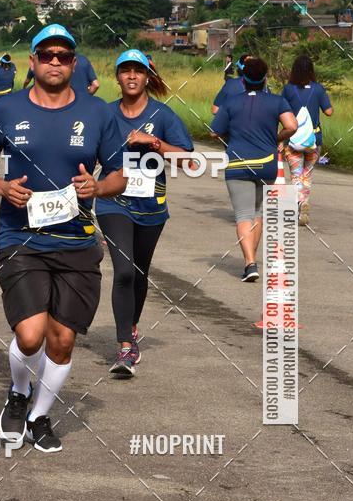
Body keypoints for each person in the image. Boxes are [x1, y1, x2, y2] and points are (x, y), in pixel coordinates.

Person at [0, 23, 126, 453]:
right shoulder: (5, 110)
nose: (55, 62)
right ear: (33, 61)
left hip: (76, 241)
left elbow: (119, 175)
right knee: (31, 335)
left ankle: (40, 415)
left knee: (63, 340)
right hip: (21, 238)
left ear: (74, 64)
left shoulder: (98, 113)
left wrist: (99, 188)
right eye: (47, 55)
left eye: (63, 56)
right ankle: (18, 394)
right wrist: (2, 188)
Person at [95, 50, 194, 377]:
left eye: (138, 71)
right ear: (118, 77)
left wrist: (154, 143)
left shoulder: (163, 115)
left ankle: (132, 326)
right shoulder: (105, 114)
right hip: (113, 203)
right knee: (123, 271)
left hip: (151, 207)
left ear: (148, 77)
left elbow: (188, 161)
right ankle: (125, 346)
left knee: (138, 274)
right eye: (125, 71)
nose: (132, 76)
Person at [211, 58, 297, 282]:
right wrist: (275, 138)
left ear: (243, 79)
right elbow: (292, 126)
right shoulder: (277, 101)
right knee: (257, 213)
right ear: (265, 78)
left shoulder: (231, 102)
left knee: (243, 215)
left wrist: (232, 137)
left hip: (238, 163)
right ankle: (253, 261)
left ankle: (250, 263)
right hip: (267, 163)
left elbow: (214, 132)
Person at [281, 55, 333, 226]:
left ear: (294, 70)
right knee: (307, 175)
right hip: (313, 140)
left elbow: (279, 112)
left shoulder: (288, 89)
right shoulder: (318, 89)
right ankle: (305, 202)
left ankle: (299, 203)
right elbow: (329, 112)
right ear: (311, 70)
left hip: (292, 138)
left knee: (296, 175)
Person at [23, 50, 99, 96]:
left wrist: (24, 89)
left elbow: (27, 80)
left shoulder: (41, 62)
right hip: (83, 103)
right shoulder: (84, 60)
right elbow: (95, 85)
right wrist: (86, 97)